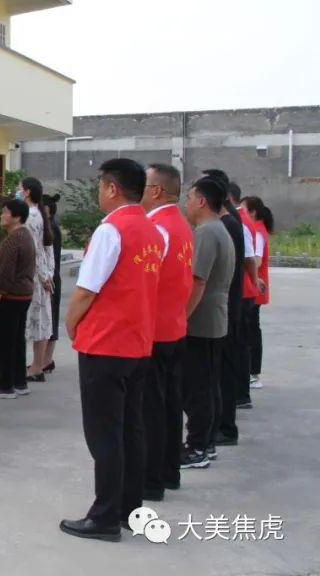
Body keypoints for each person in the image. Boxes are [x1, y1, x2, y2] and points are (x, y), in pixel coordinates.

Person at [59, 159, 163, 543]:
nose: (99, 192)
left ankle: (104, 516)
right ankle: (128, 508)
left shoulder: (111, 230)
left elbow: (86, 290)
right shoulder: (152, 231)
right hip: (137, 344)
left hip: (105, 344)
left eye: (101, 186)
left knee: (104, 434)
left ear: (112, 188)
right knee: (131, 429)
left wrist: (71, 323)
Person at [140, 164, 193, 500]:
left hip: (156, 331)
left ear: (157, 190)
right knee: (171, 404)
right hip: (174, 327)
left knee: (151, 408)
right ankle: (170, 470)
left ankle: (152, 479)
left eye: (144, 185)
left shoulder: (157, 228)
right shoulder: (181, 225)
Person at [180, 177, 235, 470]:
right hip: (215, 318)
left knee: (197, 388)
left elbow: (197, 281)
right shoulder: (219, 229)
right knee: (208, 384)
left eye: (189, 198)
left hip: (201, 322)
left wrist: (181, 317)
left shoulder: (206, 233)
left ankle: (198, 447)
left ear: (201, 201)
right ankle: (207, 443)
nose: (186, 204)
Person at [201, 169, 247, 449]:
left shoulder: (224, 224)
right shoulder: (229, 220)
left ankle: (225, 427)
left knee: (221, 372)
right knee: (221, 370)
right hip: (228, 304)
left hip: (224, 307)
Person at [0, 199, 35, 400]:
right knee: (17, 339)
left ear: (16, 217)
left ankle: (5, 385)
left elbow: (6, 273)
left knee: (4, 340)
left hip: (11, 296)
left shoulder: (14, 239)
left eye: (5, 212)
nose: (1, 216)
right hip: (23, 294)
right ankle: (19, 382)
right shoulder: (25, 235)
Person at [229, 182, 265, 410]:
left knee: (238, 345)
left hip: (242, 292)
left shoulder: (238, 221)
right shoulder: (240, 219)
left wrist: (254, 279)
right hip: (244, 290)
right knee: (240, 344)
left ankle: (241, 394)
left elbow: (250, 258)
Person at [19, 177, 55, 381]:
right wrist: (49, 273)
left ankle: (36, 367)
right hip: (41, 275)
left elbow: (33, 249)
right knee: (40, 320)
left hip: (33, 276)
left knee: (35, 321)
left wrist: (43, 275)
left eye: (20, 189)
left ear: (27, 192)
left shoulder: (31, 216)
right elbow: (47, 248)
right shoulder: (39, 214)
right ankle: (37, 365)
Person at [242, 196, 273, 389]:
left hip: (255, 288)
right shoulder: (256, 229)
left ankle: (254, 373)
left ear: (252, 212)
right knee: (252, 330)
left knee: (252, 331)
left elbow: (257, 260)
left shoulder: (258, 232)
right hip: (254, 287)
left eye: (244, 209)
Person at [42, 193, 63, 374]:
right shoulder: (49, 227)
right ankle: (44, 360)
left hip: (51, 278)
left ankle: (46, 360)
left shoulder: (51, 229)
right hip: (51, 277)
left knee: (51, 318)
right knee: (49, 318)